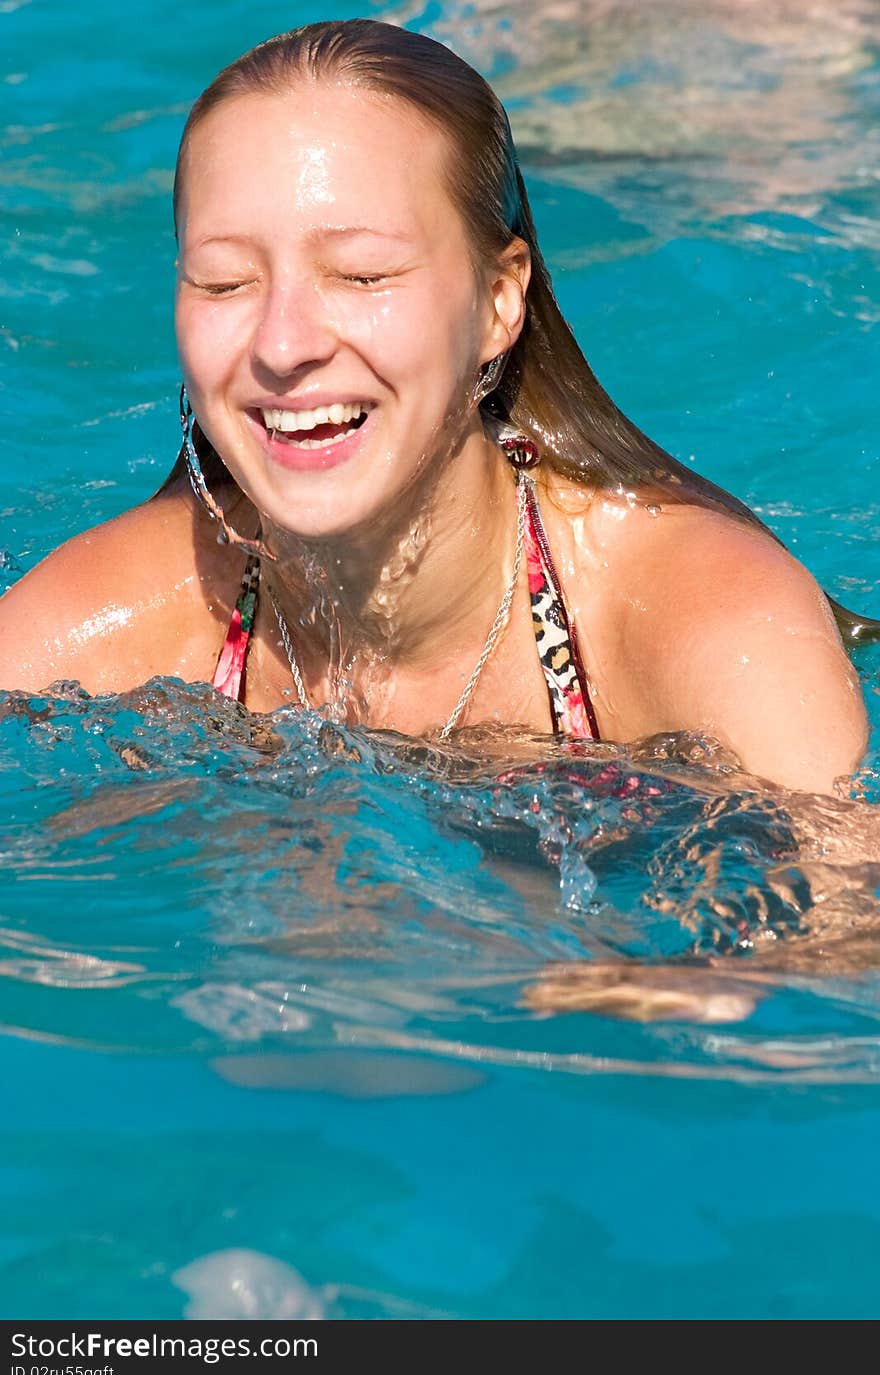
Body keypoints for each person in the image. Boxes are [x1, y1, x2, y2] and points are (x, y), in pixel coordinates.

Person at [0, 19, 871, 796]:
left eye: (363, 275)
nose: (281, 342)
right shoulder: (109, 623)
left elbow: (841, 932)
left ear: (498, 300)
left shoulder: (703, 620)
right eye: (225, 282)